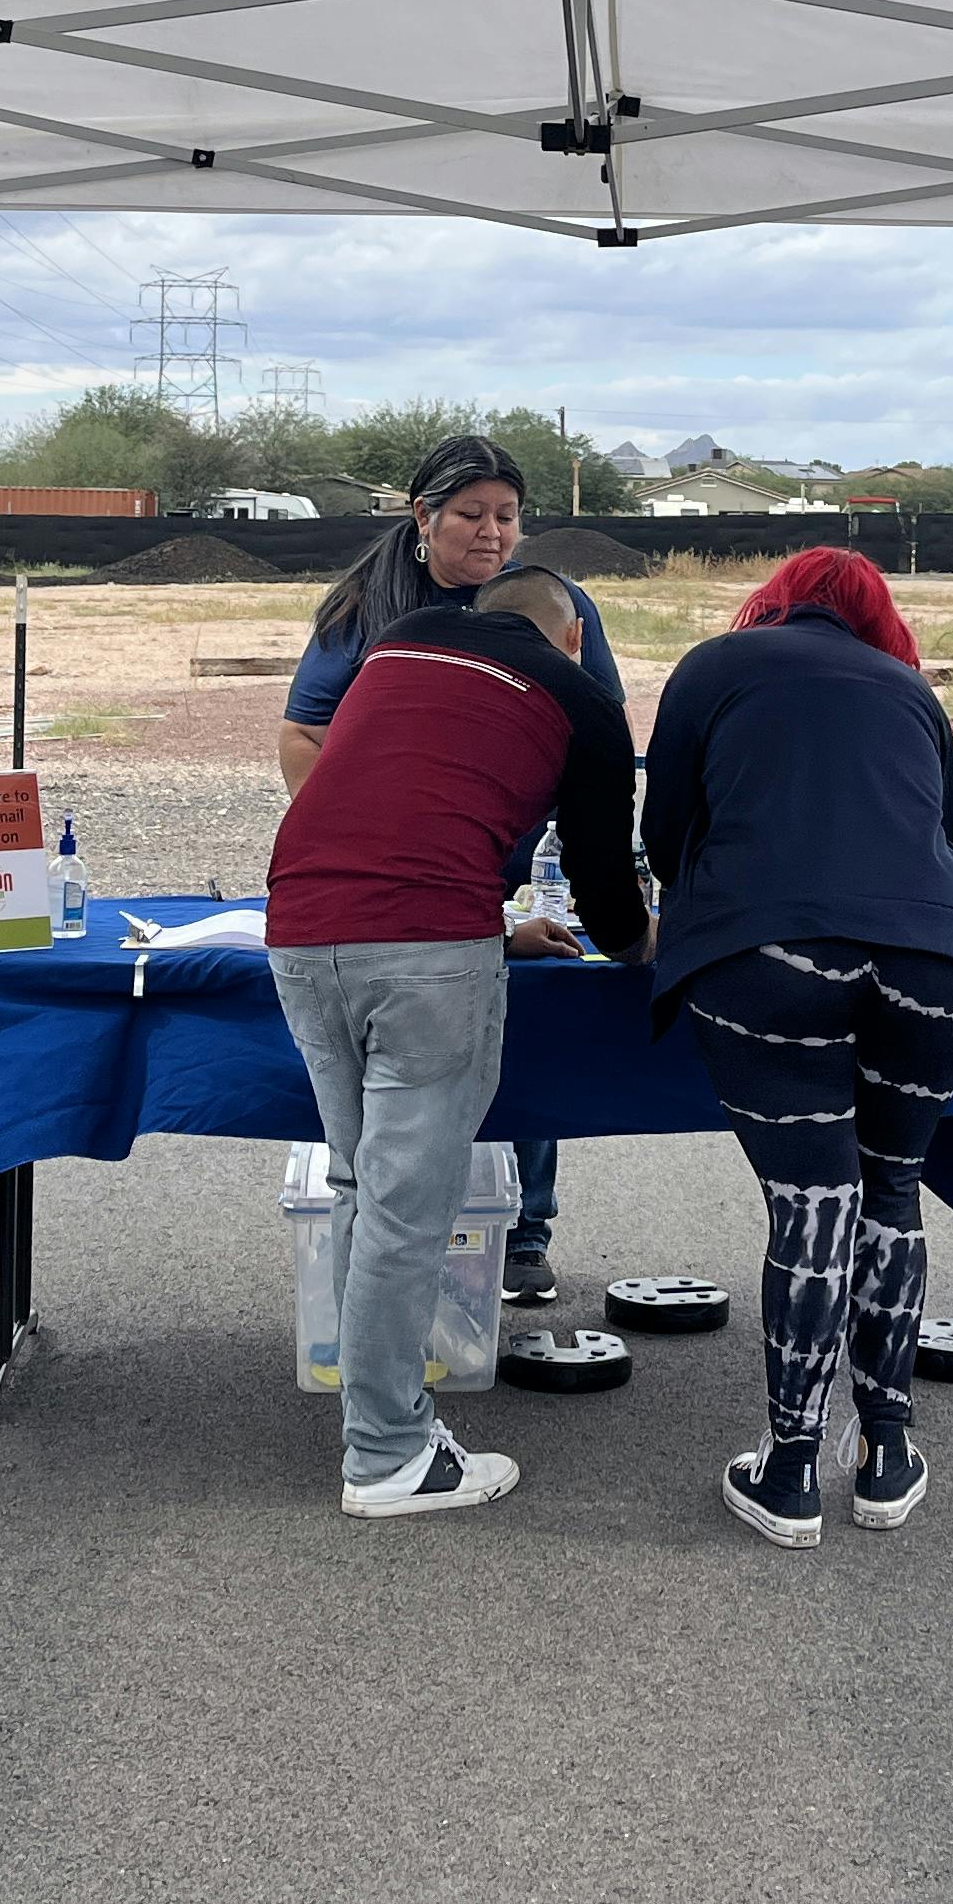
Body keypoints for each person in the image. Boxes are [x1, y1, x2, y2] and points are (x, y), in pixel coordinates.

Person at [638, 549, 953, 1549]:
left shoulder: (714, 666)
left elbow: (666, 827)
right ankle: (887, 1454)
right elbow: (948, 835)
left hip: (769, 951)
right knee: (888, 1194)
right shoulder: (908, 687)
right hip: (939, 954)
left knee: (815, 1202)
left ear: (768, 602)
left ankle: (792, 1468)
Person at [266, 566, 647, 1519]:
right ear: (570, 639)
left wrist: (500, 926)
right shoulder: (582, 698)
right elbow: (607, 894)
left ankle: (379, 1419)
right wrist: (650, 948)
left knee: (362, 1184)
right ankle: (386, 1456)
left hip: (301, 927)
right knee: (407, 1205)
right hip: (426, 948)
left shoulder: (403, 642)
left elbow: (409, 788)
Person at [281, 435, 616, 1306]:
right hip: (389, 887)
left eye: (507, 517)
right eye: (472, 515)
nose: (492, 533)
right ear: (423, 516)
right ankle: (389, 1354)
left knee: (528, 1031)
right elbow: (304, 736)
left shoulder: (559, 606)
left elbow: (593, 733)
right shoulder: (367, 608)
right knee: (393, 1148)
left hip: (503, 865)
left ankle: (524, 1228)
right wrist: (365, 839)